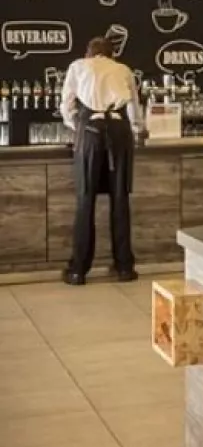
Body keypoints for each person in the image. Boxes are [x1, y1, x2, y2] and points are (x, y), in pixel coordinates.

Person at [60, 35, 144, 286]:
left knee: (85, 199)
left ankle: (78, 270)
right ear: (112, 54)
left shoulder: (78, 66)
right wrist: (137, 129)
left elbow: (66, 106)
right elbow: (134, 110)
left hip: (90, 131)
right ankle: (124, 267)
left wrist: (77, 125)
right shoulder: (123, 70)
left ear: (89, 52)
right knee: (120, 198)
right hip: (119, 132)